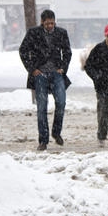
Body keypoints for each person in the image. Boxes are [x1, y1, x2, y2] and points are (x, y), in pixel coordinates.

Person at [19, 9, 72, 151]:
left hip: (56, 73)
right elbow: (23, 50)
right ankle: (43, 139)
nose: (50, 26)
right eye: (47, 23)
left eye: (52, 23)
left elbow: (67, 52)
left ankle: (56, 132)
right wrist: (32, 69)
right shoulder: (33, 33)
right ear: (42, 22)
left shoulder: (61, 33)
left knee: (61, 102)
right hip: (40, 74)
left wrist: (62, 67)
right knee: (41, 107)